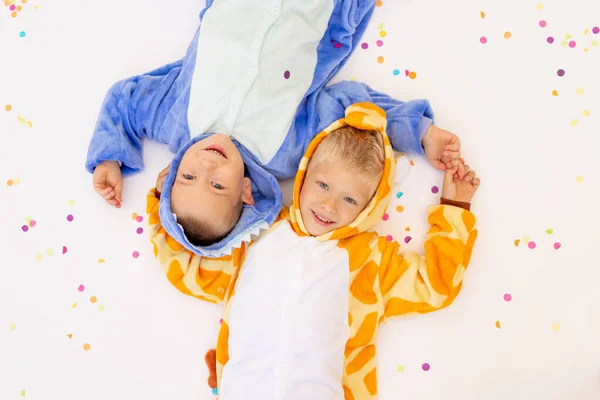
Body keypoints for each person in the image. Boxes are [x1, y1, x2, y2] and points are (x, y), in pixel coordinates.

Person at [146, 103, 480, 399]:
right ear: (303, 178)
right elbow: (187, 266)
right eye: (322, 185)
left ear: (370, 206)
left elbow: (435, 284)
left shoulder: (372, 261)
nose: (329, 205)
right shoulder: (256, 234)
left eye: (350, 199)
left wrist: (455, 206)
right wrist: (163, 198)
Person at [88, 0, 464, 258]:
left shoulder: (169, 117)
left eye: (188, 176)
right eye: (218, 185)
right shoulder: (286, 150)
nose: (207, 167)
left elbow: (125, 99)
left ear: (171, 171)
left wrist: (109, 156)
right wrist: (420, 132)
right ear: (246, 192)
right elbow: (354, 107)